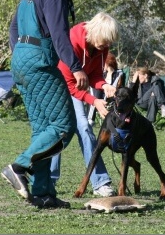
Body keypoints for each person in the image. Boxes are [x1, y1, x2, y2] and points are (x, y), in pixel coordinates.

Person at [2, 0, 89, 209]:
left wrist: (21, 53)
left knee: (43, 129)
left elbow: (14, 26)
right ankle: (19, 167)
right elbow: (59, 32)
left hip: (22, 59)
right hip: (39, 62)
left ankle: (43, 193)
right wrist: (75, 67)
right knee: (63, 126)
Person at [50, 12, 119, 197]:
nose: (106, 46)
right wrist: (94, 101)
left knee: (85, 128)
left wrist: (105, 86)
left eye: (109, 43)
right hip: (57, 85)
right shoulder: (72, 41)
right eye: (104, 41)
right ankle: (48, 179)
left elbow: (94, 75)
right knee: (59, 131)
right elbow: (71, 86)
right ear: (95, 32)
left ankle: (100, 182)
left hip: (75, 89)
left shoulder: (101, 47)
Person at [87, 52, 125, 126]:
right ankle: (90, 119)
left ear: (107, 62)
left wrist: (110, 73)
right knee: (95, 89)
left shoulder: (119, 73)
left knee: (96, 93)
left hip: (112, 97)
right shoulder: (102, 73)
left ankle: (90, 119)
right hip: (99, 96)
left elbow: (115, 87)